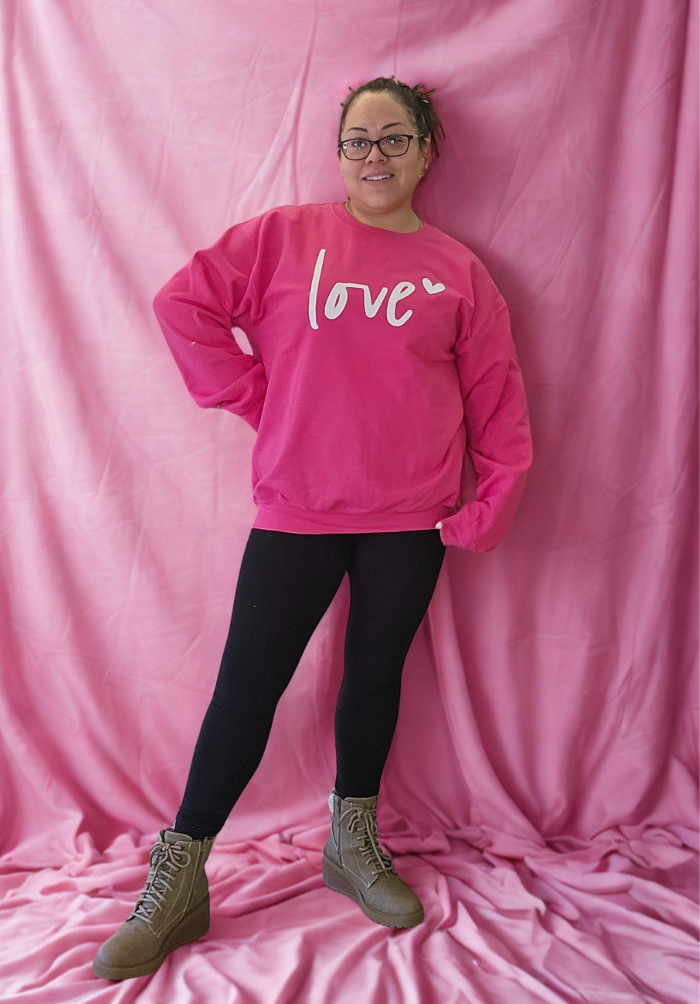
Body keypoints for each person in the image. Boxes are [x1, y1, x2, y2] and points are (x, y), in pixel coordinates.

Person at [93, 75, 533, 981]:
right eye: (358, 141)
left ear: (425, 152)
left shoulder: (459, 271)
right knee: (247, 688)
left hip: (410, 519)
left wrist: (490, 503)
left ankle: (353, 841)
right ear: (339, 154)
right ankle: (180, 874)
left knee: (373, 676)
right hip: (298, 509)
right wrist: (262, 399)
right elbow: (185, 307)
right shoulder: (285, 240)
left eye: (394, 139)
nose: (375, 156)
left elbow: (498, 401)